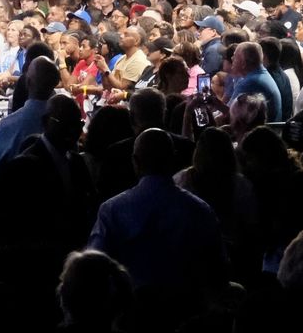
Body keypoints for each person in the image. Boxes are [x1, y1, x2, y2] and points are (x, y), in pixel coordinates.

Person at [85, 128, 225, 299]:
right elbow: (218, 270)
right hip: (186, 311)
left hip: (130, 313)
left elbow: (93, 266)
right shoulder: (200, 210)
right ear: (173, 158)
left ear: (135, 161)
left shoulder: (112, 210)